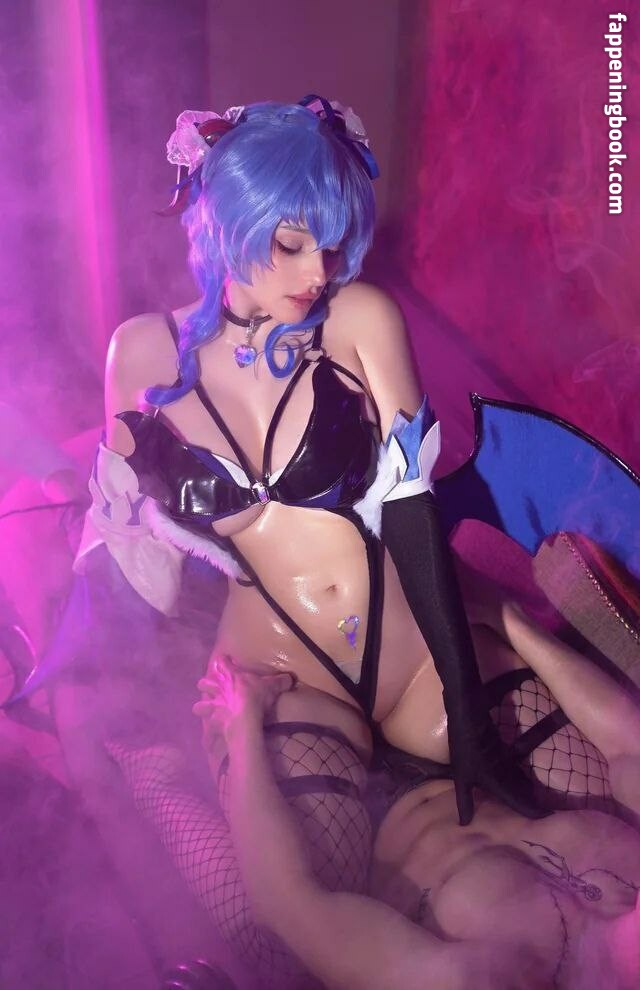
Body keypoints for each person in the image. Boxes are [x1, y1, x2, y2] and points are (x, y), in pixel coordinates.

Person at [61, 95, 577, 982]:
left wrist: (466, 695)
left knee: (603, 810)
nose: (320, 270)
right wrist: (106, 685)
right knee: (286, 947)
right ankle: (164, 783)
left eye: (334, 244)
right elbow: (123, 541)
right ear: (227, 228)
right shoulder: (140, 355)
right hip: (281, 673)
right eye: (293, 243)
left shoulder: (359, 319)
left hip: (413, 655)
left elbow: (414, 516)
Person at [195, 600, 640, 990]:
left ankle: (159, 768)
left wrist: (242, 727)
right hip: (485, 773)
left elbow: (290, 904)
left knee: (274, 950)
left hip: (359, 836)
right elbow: (628, 749)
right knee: (415, 612)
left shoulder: (490, 980)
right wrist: (506, 615)